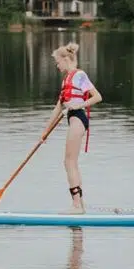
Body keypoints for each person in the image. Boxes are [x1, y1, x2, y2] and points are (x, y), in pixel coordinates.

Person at [44, 42, 103, 214]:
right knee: (71, 162)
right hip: (73, 119)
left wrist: (79, 105)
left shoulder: (79, 75)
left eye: (58, 62)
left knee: (69, 162)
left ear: (66, 59)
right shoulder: (66, 80)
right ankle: (80, 205)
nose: (57, 66)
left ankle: (76, 205)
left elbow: (97, 97)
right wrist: (45, 132)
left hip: (78, 118)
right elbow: (58, 108)